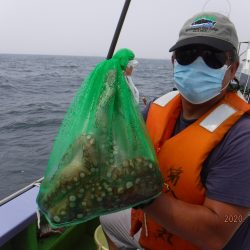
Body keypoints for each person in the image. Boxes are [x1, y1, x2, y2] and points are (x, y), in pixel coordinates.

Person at [100, 11, 250, 250]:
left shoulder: (242, 137)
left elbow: (217, 232)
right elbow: (122, 139)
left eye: (213, 57)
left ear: (232, 69)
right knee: (107, 218)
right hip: (157, 228)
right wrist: (111, 101)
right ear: (174, 61)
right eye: (187, 54)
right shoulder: (160, 107)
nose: (197, 64)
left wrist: (140, 195)